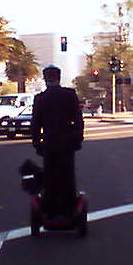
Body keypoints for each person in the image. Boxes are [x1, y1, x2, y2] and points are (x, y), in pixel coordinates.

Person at [31, 64, 84, 217]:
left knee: (50, 174)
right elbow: (78, 120)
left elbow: (36, 124)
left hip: (49, 142)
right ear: (59, 78)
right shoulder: (70, 95)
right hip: (67, 142)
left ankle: (50, 205)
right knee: (67, 173)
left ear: (45, 79)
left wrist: (37, 143)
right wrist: (78, 138)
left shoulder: (40, 98)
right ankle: (69, 205)